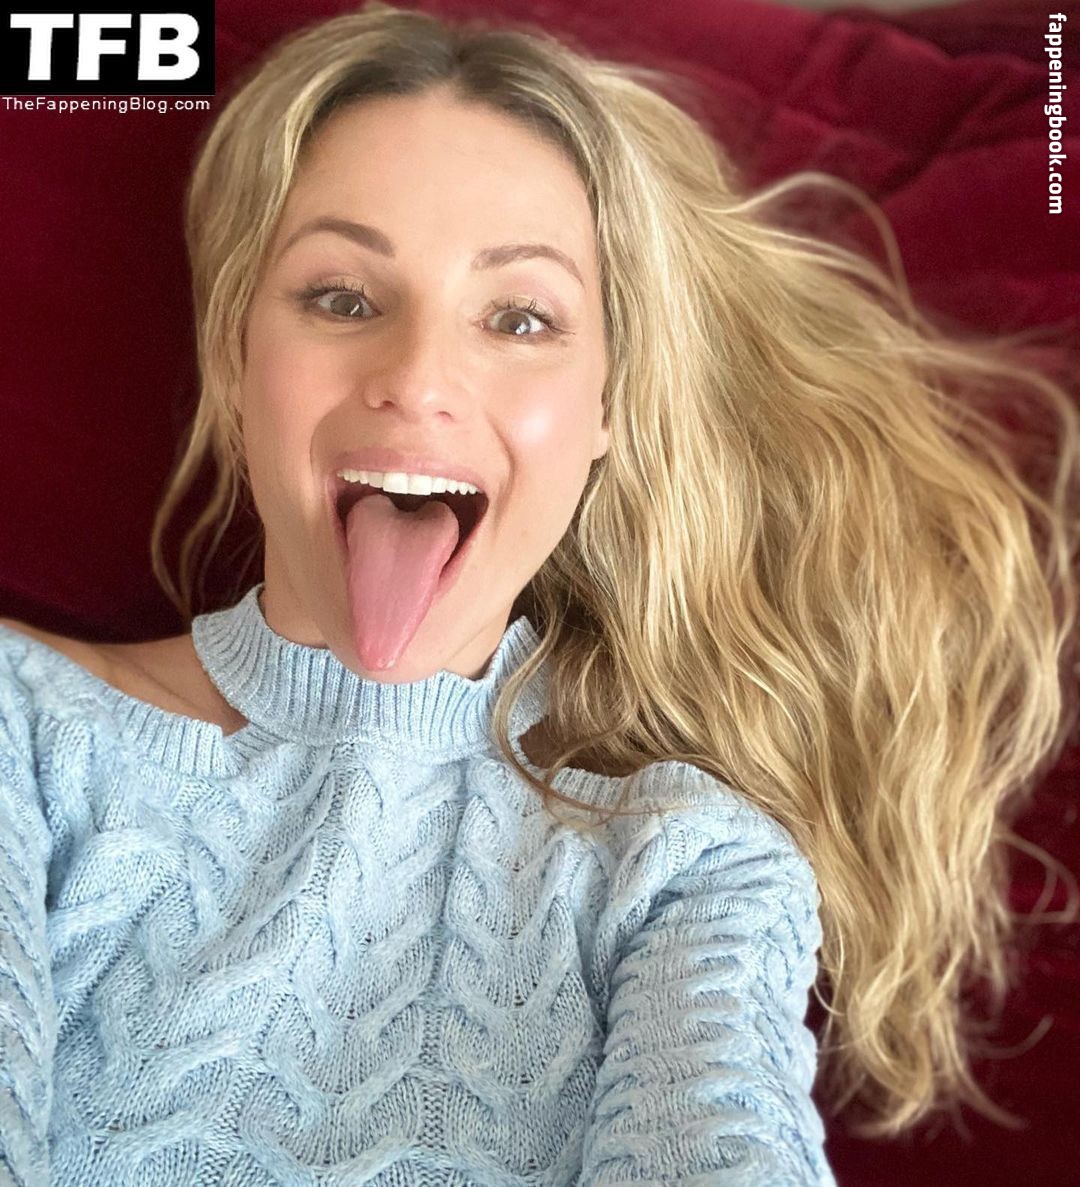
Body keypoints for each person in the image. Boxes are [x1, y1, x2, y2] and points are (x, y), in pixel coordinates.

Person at [1, 2, 1076, 1184]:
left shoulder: (687, 864)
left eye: (520, 317)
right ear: (234, 357)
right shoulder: (24, 726)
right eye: (343, 297)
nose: (418, 378)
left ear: (608, 407)